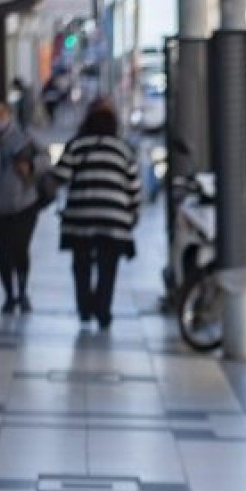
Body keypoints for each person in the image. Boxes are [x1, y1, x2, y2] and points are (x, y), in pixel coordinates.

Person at [53, 100, 143, 329]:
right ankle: (103, 311)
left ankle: (84, 308)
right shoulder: (123, 149)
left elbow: (60, 175)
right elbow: (133, 186)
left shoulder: (77, 146)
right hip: (113, 219)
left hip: (81, 217)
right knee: (108, 267)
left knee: (81, 265)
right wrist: (133, 213)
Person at [0, 97, 47, 313]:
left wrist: (31, 166)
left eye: (2, 113)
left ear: (9, 115)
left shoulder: (24, 138)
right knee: (3, 252)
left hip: (24, 204)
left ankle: (22, 291)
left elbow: (45, 158)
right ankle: (9, 294)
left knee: (20, 248)